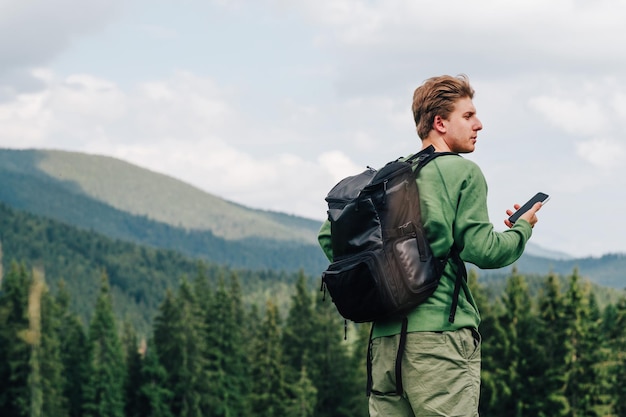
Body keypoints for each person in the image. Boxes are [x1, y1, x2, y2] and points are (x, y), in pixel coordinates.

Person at [317, 74, 542, 416]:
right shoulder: (462, 173)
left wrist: (387, 276)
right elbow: (484, 250)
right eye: (467, 116)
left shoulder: (387, 178)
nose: (478, 124)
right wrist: (522, 229)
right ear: (440, 122)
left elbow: (328, 236)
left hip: (384, 345)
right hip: (440, 342)